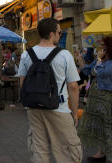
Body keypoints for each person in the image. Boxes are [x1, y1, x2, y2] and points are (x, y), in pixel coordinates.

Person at [18, 18, 82, 163]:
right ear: (52, 34)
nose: (60, 34)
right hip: (59, 107)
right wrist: (74, 111)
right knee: (67, 151)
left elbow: (23, 83)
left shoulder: (26, 55)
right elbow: (73, 86)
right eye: (60, 32)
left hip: (34, 108)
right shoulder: (64, 55)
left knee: (39, 150)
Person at [77, 36, 112, 163]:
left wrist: (97, 61)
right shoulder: (101, 61)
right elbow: (88, 70)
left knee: (111, 127)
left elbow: (99, 73)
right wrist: (79, 58)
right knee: (99, 125)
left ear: (111, 48)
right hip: (96, 97)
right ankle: (100, 153)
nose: (101, 49)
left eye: (104, 47)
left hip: (108, 97)